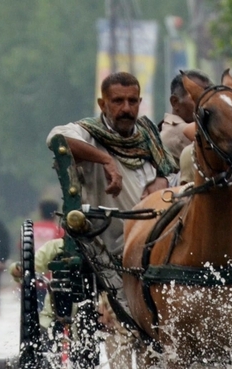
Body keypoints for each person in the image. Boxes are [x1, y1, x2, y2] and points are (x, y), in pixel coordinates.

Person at [47, 72, 179, 256]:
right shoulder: (90, 133)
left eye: (132, 101)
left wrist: (163, 180)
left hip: (160, 242)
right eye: (118, 101)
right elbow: (56, 138)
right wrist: (105, 159)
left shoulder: (149, 136)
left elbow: (175, 177)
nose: (126, 109)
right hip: (112, 251)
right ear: (102, 104)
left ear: (140, 103)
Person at [160, 70, 211, 164]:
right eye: (196, 97)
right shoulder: (178, 132)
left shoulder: (166, 128)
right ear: (175, 102)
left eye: (207, 98)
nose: (205, 104)